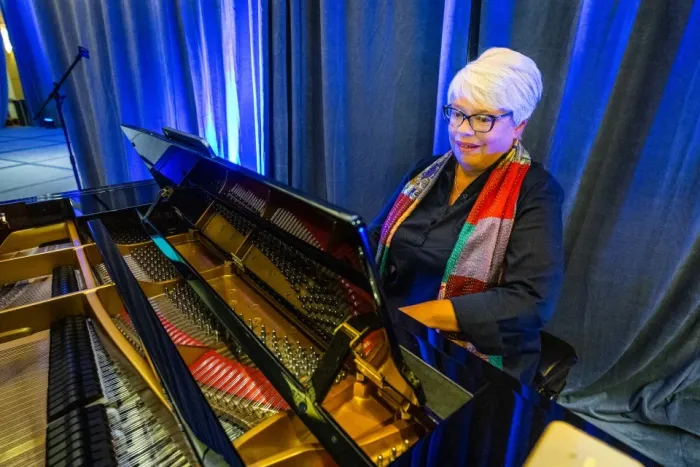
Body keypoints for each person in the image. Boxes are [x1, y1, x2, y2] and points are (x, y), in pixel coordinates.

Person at [370, 48, 564, 383]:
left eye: (483, 118)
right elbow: (373, 240)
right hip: (394, 329)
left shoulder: (536, 192)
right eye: (457, 113)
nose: (462, 131)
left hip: (467, 357)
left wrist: (413, 319)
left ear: (519, 125)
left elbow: (529, 302)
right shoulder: (425, 172)